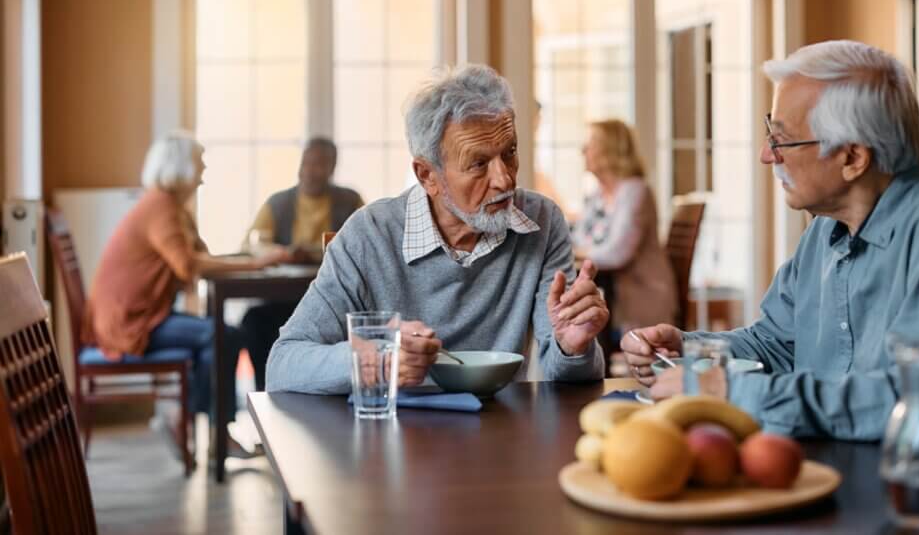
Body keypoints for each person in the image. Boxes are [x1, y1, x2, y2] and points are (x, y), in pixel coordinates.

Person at [622, 40, 919, 441]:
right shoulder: (825, 229)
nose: (767, 156)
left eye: (782, 140)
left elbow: (915, 401)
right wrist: (688, 352)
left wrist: (728, 392)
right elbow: (778, 345)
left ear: (853, 158)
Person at [266, 65, 610, 394]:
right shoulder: (368, 235)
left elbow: (567, 375)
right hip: (391, 440)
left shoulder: (542, 221)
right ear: (427, 176)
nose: (504, 179)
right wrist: (375, 360)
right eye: (478, 163)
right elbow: (282, 365)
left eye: (510, 153)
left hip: (502, 435)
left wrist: (572, 348)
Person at [85, 130, 287, 456]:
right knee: (226, 336)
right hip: (130, 322)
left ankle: (202, 427)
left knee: (217, 339)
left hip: (142, 314)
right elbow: (189, 266)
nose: (203, 176)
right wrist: (256, 264)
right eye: (199, 166)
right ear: (181, 168)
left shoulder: (170, 206)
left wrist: (249, 261)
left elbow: (201, 256)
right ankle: (207, 429)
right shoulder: (161, 207)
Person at [240, 138, 364, 390]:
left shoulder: (350, 201)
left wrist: (314, 254)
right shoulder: (278, 203)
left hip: (332, 300)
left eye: (318, 164)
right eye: (305, 162)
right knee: (253, 322)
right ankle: (267, 392)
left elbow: (366, 244)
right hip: (282, 300)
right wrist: (283, 253)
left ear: (332, 168)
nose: (309, 169)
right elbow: (251, 244)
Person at [572, 120, 679, 333]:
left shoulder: (635, 191)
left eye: (591, 143)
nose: (582, 150)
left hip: (643, 294)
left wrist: (579, 252)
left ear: (611, 150)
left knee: (582, 317)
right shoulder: (597, 195)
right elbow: (577, 240)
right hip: (610, 292)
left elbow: (617, 253)